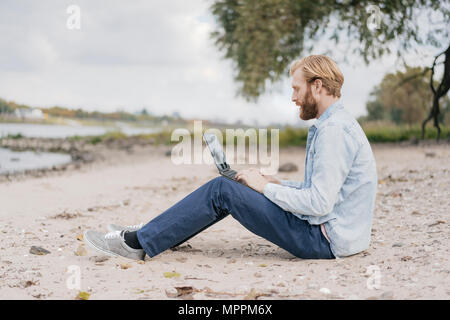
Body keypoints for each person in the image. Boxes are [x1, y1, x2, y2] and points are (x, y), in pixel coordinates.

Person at [84, 55, 378, 261]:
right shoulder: (336, 124)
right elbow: (324, 190)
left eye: (296, 89)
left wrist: (264, 188)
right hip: (335, 235)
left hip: (324, 242)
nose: (293, 97)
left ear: (317, 86)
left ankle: (139, 243)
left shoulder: (334, 132)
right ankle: (152, 232)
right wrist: (278, 183)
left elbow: (319, 204)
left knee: (222, 190)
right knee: (231, 188)